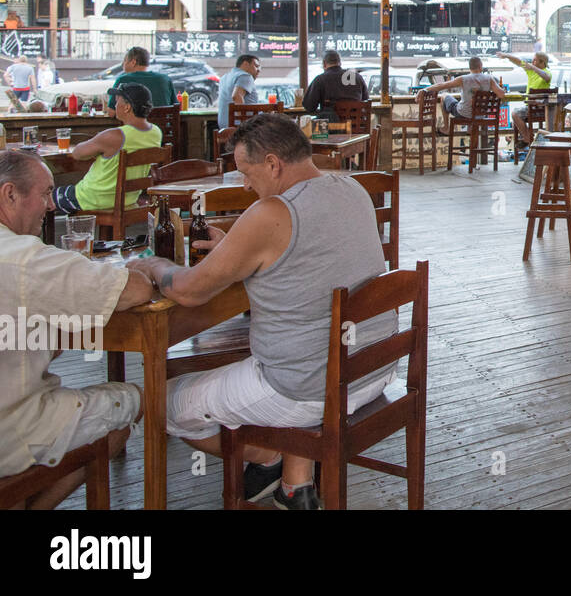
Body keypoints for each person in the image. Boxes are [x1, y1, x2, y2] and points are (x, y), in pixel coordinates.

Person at [132, 113, 397, 510]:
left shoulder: (272, 212)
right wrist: (233, 246)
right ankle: (293, 486)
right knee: (296, 348)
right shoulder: (354, 189)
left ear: (273, 164)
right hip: (371, 372)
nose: (244, 183)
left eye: (246, 171)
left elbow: (188, 290)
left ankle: (264, 455)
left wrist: (152, 265)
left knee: (157, 400)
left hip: (305, 390)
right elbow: (313, 258)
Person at [0, 149, 153, 506]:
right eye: (45, 193)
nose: (51, 205)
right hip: (10, 431)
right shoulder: (26, 259)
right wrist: (150, 267)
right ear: (10, 194)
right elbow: (136, 290)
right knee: (129, 400)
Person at [52, 83, 162, 215]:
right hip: (128, 199)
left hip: (91, 199)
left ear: (127, 107)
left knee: (46, 197)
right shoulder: (156, 132)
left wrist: (97, 141)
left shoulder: (115, 135)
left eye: (117, 102)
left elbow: (77, 154)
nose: (115, 106)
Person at [423, 56, 508, 136]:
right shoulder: (489, 79)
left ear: (470, 67)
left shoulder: (463, 79)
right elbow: (501, 94)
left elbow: (442, 85)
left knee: (444, 96)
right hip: (481, 115)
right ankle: (471, 129)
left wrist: (425, 90)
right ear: (481, 66)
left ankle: (446, 128)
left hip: (463, 114)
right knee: (473, 109)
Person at [503, 50, 553, 149]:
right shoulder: (531, 71)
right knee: (515, 121)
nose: (532, 62)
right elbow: (518, 61)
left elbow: (546, 77)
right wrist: (507, 56)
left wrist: (533, 67)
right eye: (533, 60)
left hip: (541, 109)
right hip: (530, 107)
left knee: (515, 114)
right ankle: (526, 137)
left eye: (535, 60)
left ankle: (527, 138)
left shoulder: (547, 73)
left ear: (542, 62)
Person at [302, 50, 369, 122]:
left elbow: (309, 107)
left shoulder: (320, 79)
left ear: (324, 64)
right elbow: (366, 102)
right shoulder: (357, 77)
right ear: (340, 63)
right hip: (356, 126)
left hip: (331, 129)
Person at [107, 47, 177, 112]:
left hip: (134, 125)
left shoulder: (123, 80)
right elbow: (176, 108)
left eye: (125, 61)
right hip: (162, 125)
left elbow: (112, 112)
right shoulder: (165, 79)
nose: (123, 65)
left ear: (133, 62)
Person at [217, 53, 261, 129]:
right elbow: (236, 96)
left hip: (223, 127)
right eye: (256, 66)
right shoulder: (245, 76)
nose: (258, 70)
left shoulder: (224, 77)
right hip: (239, 127)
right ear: (245, 64)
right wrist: (243, 124)